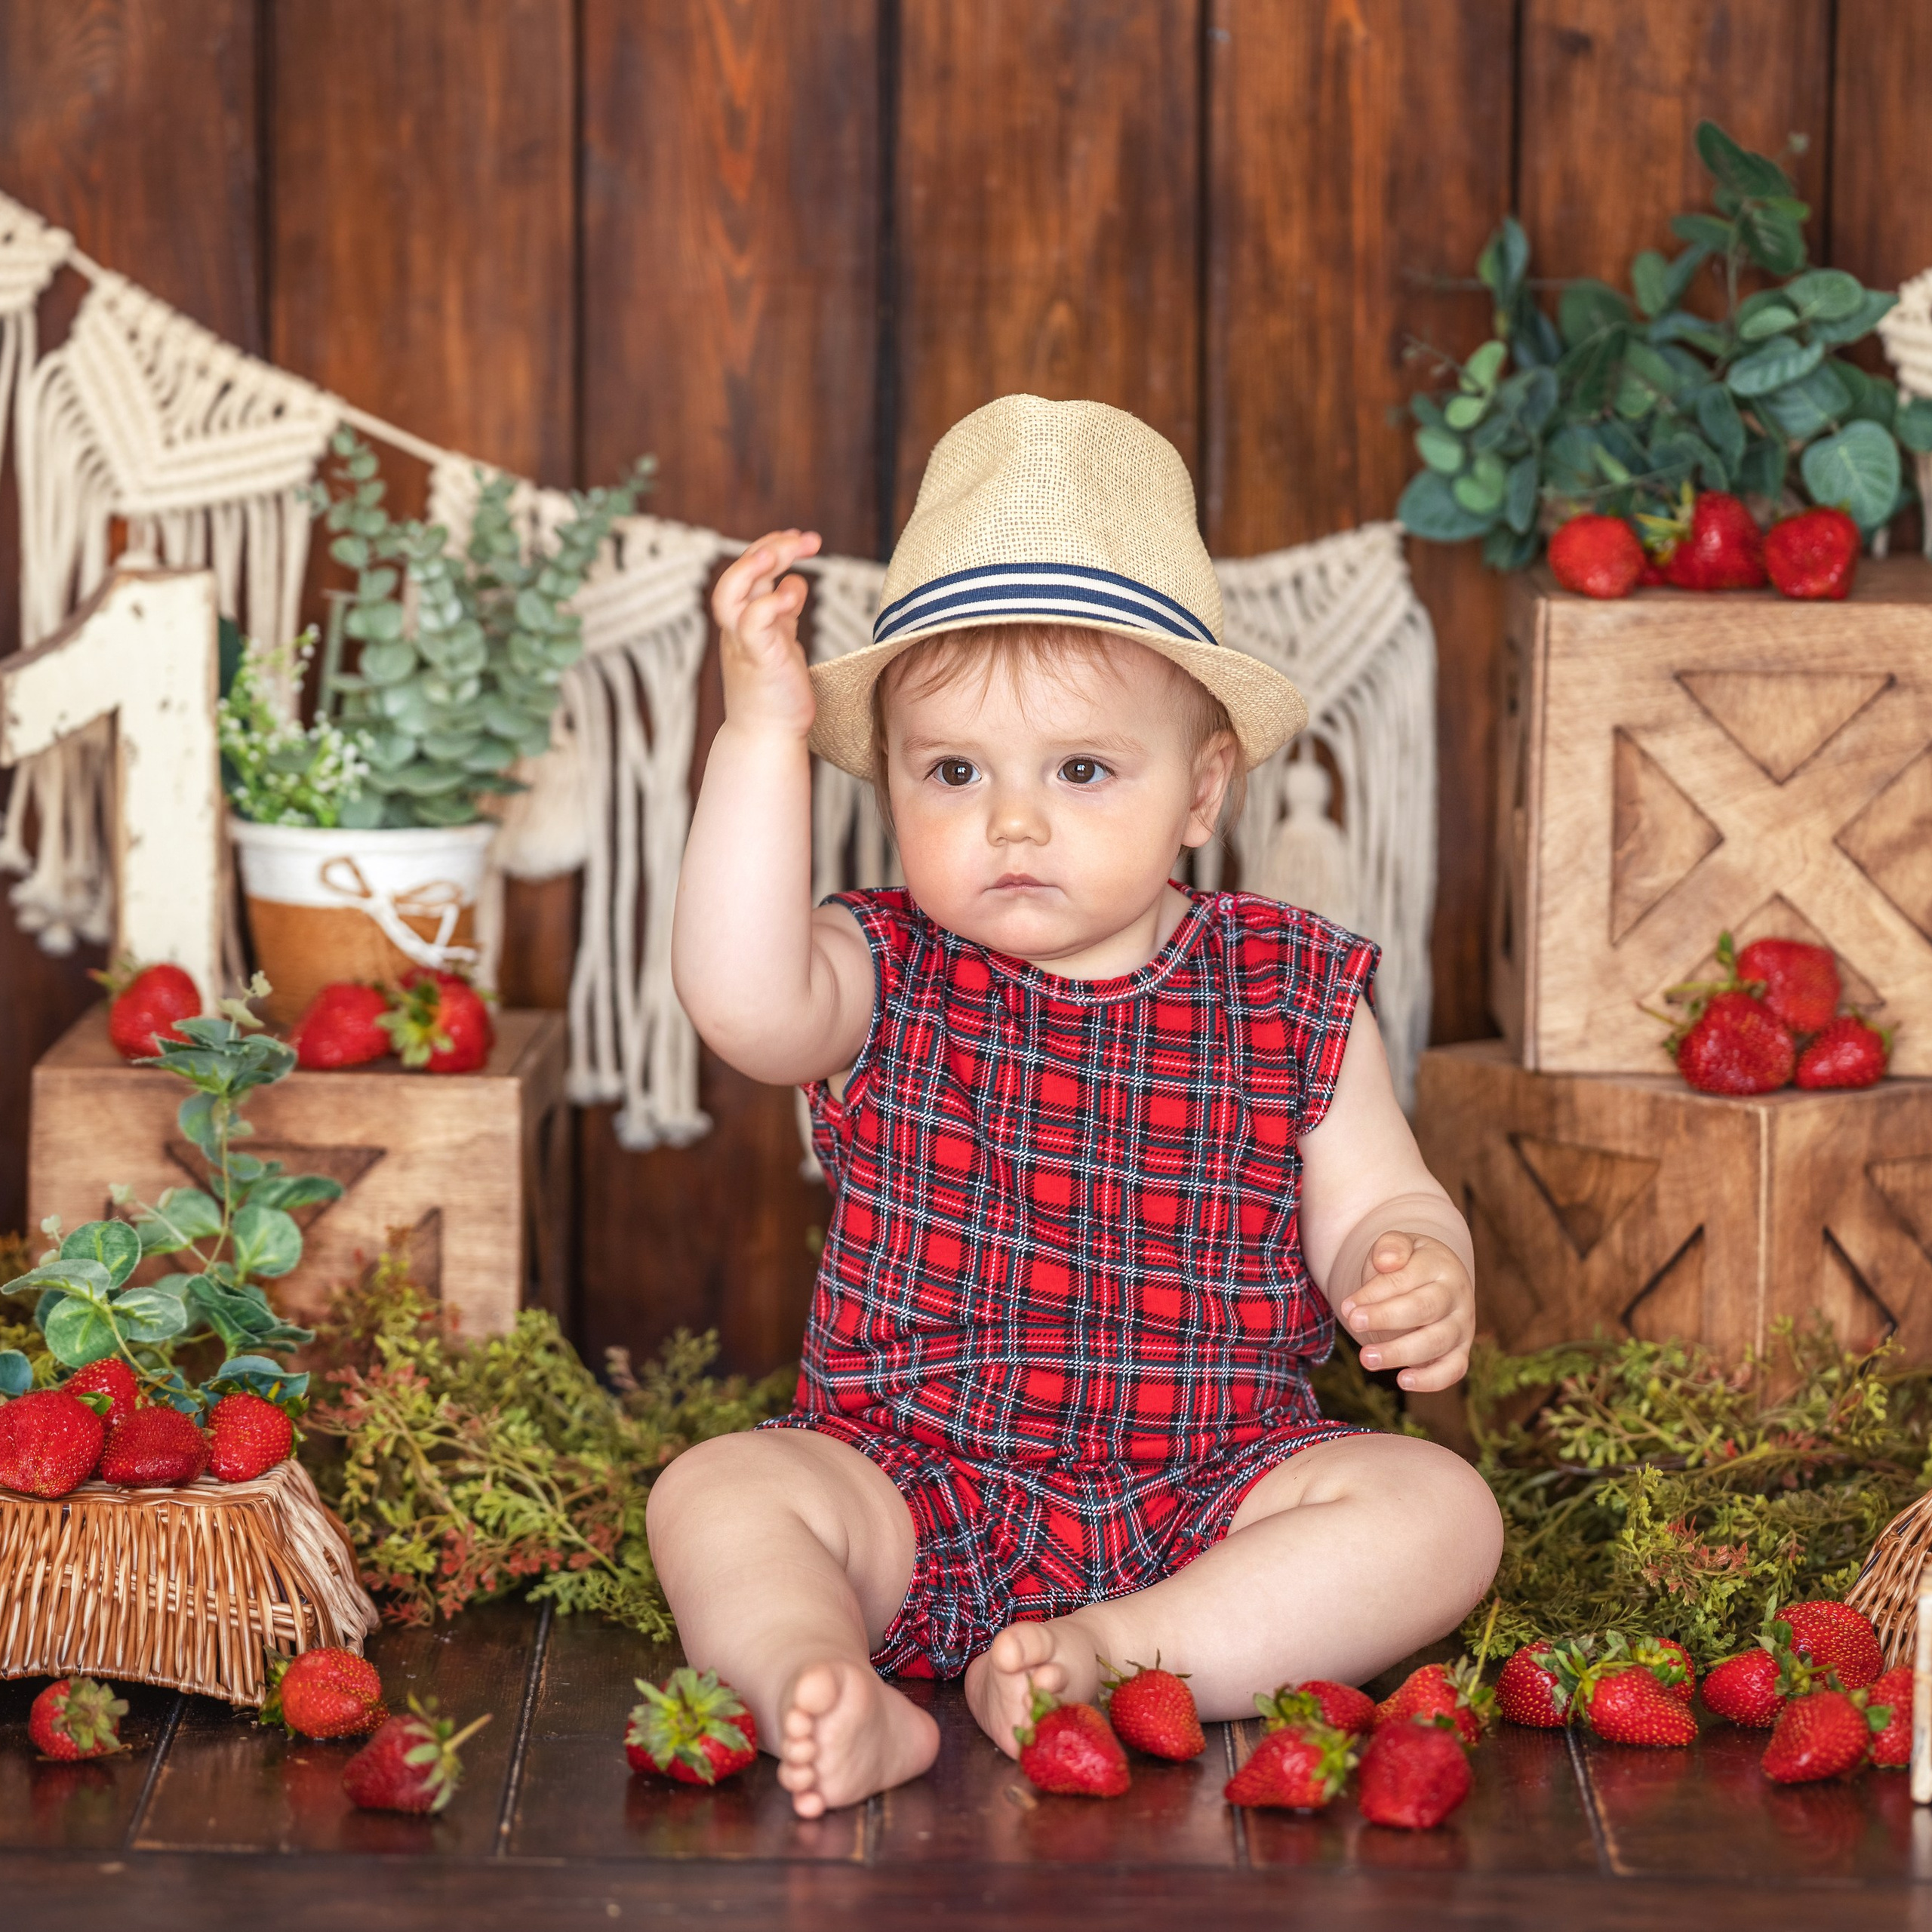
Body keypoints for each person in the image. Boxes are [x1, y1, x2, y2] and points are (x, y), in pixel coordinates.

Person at [655, 395, 1502, 1819]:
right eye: (954, 772)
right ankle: (820, 1675)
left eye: (1084, 770)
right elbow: (737, 999)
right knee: (720, 1491)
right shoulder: (880, 967)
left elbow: (1381, 1198)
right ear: (893, 780)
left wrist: (1411, 1267)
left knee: (1440, 1516)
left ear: (1201, 792)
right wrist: (759, 733)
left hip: (1219, 1490)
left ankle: (1116, 1655)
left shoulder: (1290, 987)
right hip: (908, 1484)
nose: (1013, 821)